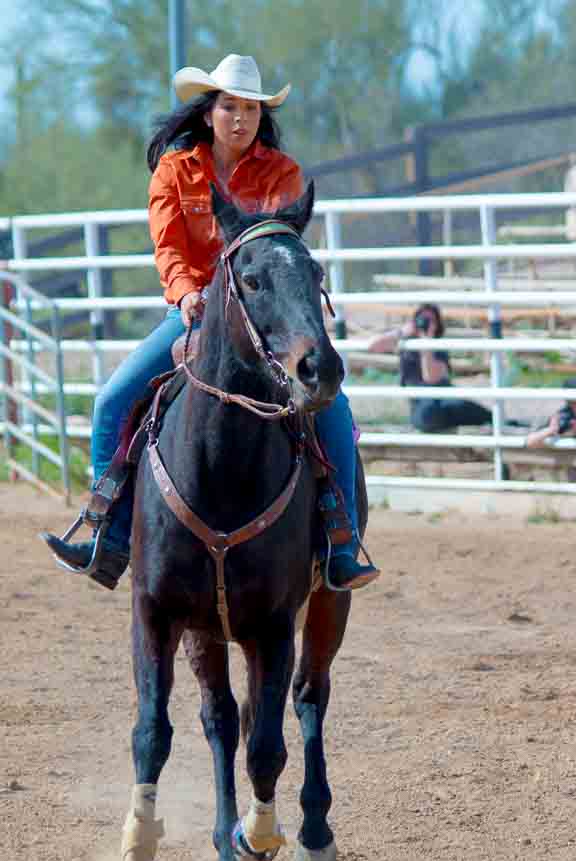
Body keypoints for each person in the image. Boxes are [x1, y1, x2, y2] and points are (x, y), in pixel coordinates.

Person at [43, 54, 378, 591]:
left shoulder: (281, 173)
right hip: (196, 314)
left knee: (332, 405)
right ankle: (109, 536)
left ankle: (342, 539)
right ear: (209, 112)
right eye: (230, 107)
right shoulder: (174, 171)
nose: (240, 118)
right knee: (112, 402)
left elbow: (275, 246)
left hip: (262, 318)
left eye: (250, 108)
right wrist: (185, 295)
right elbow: (168, 247)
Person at [367, 304, 495, 432]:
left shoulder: (438, 347)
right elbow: (372, 346)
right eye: (422, 319)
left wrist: (426, 343)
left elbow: (431, 378)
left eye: (431, 321)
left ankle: (504, 423)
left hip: (446, 400)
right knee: (428, 414)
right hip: (422, 406)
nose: (426, 323)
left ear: (437, 324)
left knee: (473, 410)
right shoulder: (405, 343)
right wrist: (400, 332)